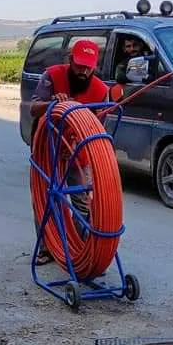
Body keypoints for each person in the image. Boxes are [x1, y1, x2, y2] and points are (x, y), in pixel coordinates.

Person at [29, 39, 109, 266]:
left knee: (83, 203)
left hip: (78, 150)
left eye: (88, 67)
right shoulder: (52, 76)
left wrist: (76, 144)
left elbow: (99, 129)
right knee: (45, 197)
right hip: (48, 147)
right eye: (79, 65)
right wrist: (52, 103)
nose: (83, 71)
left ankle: (73, 249)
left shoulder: (101, 91)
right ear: (70, 60)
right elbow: (34, 108)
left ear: (95, 65)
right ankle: (47, 248)